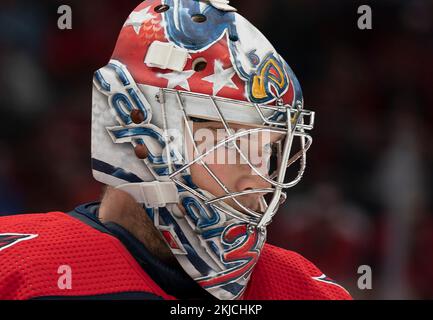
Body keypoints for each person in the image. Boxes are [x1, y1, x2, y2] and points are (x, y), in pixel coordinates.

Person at [0, 0, 351, 300]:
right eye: (231, 143)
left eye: (269, 150)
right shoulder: (22, 270)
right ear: (133, 125)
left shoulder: (303, 288)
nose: (256, 178)